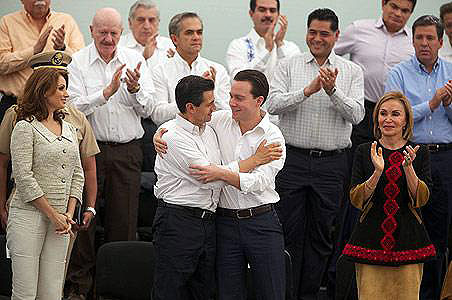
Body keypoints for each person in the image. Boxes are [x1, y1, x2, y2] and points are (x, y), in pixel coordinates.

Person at [155, 69, 286, 299]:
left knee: (271, 292)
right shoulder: (221, 120)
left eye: (239, 98)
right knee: (226, 293)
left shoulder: (273, 137)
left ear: (259, 101)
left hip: (261, 222)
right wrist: (159, 134)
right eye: (231, 96)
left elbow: (260, 181)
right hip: (223, 224)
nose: (230, 103)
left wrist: (220, 173)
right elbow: (183, 119)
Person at [266, 8, 365, 299]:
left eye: (324, 34)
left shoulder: (351, 71)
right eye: (313, 32)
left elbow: (358, 115)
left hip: (332, 164)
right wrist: (307, 91)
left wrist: (333, 91)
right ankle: (287, 293)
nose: (317, 38)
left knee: (322, 235)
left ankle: (308, 294)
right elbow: (272, 104)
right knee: (288, 231)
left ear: (336, 36)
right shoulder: (288, 65)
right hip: (292, 160)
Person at [0, 50, 99, 299]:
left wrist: (67, 213)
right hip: (29, 216)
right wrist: (53, 215)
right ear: (44, 91)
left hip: (61, 222)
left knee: (52, 292)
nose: (67, 94)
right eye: (61, 89)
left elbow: (78, 173)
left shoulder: (68, 126)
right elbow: (23, 177)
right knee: (25, 293)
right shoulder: (24, 125)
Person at [68, 8, 155, 242]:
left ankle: (120, 278)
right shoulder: (78, 61)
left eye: (113, 33)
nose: (108, 39)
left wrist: (135, 90)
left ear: (121, 32)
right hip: (89, 151)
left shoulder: (135, 60)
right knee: (84, 218)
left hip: (128, 151)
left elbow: (149, 110)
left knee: (124, 220)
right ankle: (81, 279)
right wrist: (105, 93)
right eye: (102, 32)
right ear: (91, 31)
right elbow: (73, 110)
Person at [342, 91, 434, 299]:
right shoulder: (364, 151)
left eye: (395, 114)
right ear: (376, 119)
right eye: (383, 114)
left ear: (405, 121)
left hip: (409, 240)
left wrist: (409, 168)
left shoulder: (419, 153)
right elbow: (356, 199)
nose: (388, 119)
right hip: (369, 239)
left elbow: (422, 199)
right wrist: (377, 172)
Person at [385, 15, 452, 300]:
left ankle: (432, 294)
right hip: (409, 155)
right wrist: (433, 103)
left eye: (430, 38)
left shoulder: (450, 71)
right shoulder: (398, 73)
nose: (424, 44)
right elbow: (395, 115)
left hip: (446, 158)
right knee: (408, 227)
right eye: (419, 38)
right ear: (412, 41)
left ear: (441, 41)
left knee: (440, 230)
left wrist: (449, 105)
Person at [0, 0, 84, 122]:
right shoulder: (7, 23)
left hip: (55, 108)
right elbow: (1, 63)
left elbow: (81, 63)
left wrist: (62, 49)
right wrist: (33, 51)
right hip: (16, 105)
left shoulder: (66, 20)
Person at [150, 12, 231, 126]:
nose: (196, 37)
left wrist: (211, 92)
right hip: (174, 138)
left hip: (211, 137)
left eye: (199, 32)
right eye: (189, 33)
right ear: (175, 39)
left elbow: (227, 113)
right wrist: (192, 96)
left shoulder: (218, 70)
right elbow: (157, 115)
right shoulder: (160, 71)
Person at [225, 0, 300, 81]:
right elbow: (240, 80)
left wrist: (279, 46)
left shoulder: (291, 48)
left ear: (278, 15)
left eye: (272, 10)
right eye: (262, 10)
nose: (268, 15)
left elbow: (294, 80)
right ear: (251, 13)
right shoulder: (238, 46)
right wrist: (267, 50)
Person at [119, 0, 174, 71]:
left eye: (151, 20)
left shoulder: (170, 46)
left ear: (158, 23)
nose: (146, 26)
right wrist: (143, 58)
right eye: (141, 20)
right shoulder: (118, 45)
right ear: (130, 23)